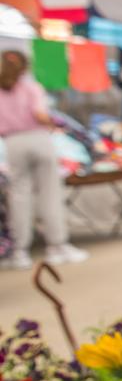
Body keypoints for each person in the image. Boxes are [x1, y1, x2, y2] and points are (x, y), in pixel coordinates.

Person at [0, 50, 89, 270]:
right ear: (25, 67)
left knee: (19, 196)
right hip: (38, 138)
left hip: (12, 142)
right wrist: (54, 123)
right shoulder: (31, 88)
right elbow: (39, 114)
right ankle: (57, 246)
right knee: (50, 192)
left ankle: (20, 252)